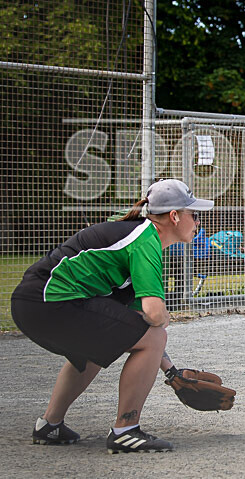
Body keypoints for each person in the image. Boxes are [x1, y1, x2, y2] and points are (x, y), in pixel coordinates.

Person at [11, 179, 213, 453]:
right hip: (51, 302)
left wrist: (171, 371)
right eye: (194, 214)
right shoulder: (144, 240)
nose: (198, 221)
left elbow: (132, 323)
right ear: (175, 217)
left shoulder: (139, 235)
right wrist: (161, 318)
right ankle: (125, 430)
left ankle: (50, 425)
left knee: (100, 348)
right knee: (153, 334)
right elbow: (154, 315)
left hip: (34, 305)